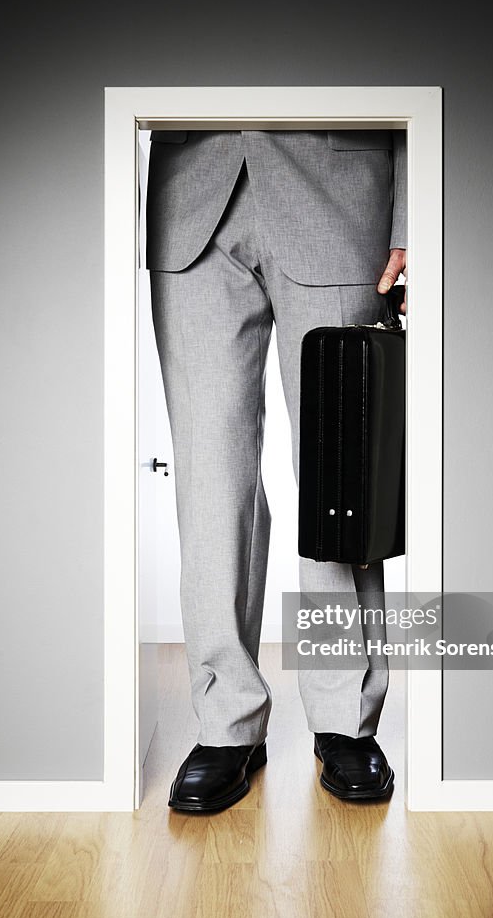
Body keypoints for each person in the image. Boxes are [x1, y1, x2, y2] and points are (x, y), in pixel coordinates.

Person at [146, 128, 407, 812]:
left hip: (342, 199)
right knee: (208, 478)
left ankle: (344, 718)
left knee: (340, 476)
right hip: (192, 201)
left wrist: (413, 219)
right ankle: (227, 722)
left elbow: (423, 40)